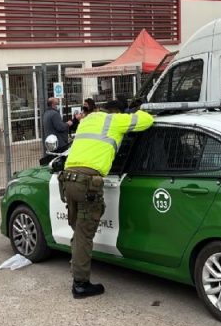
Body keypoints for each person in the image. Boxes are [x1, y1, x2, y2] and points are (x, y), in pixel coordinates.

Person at [59, 100, 154, 298]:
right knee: (85, 234)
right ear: (118, 112)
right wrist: (137, 111)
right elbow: (146, 120)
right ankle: (80, 284)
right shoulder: (115, 120)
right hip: (87, 183)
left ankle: (76, 271)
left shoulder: (87, 121)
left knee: (78, 230)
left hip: (68, 179)